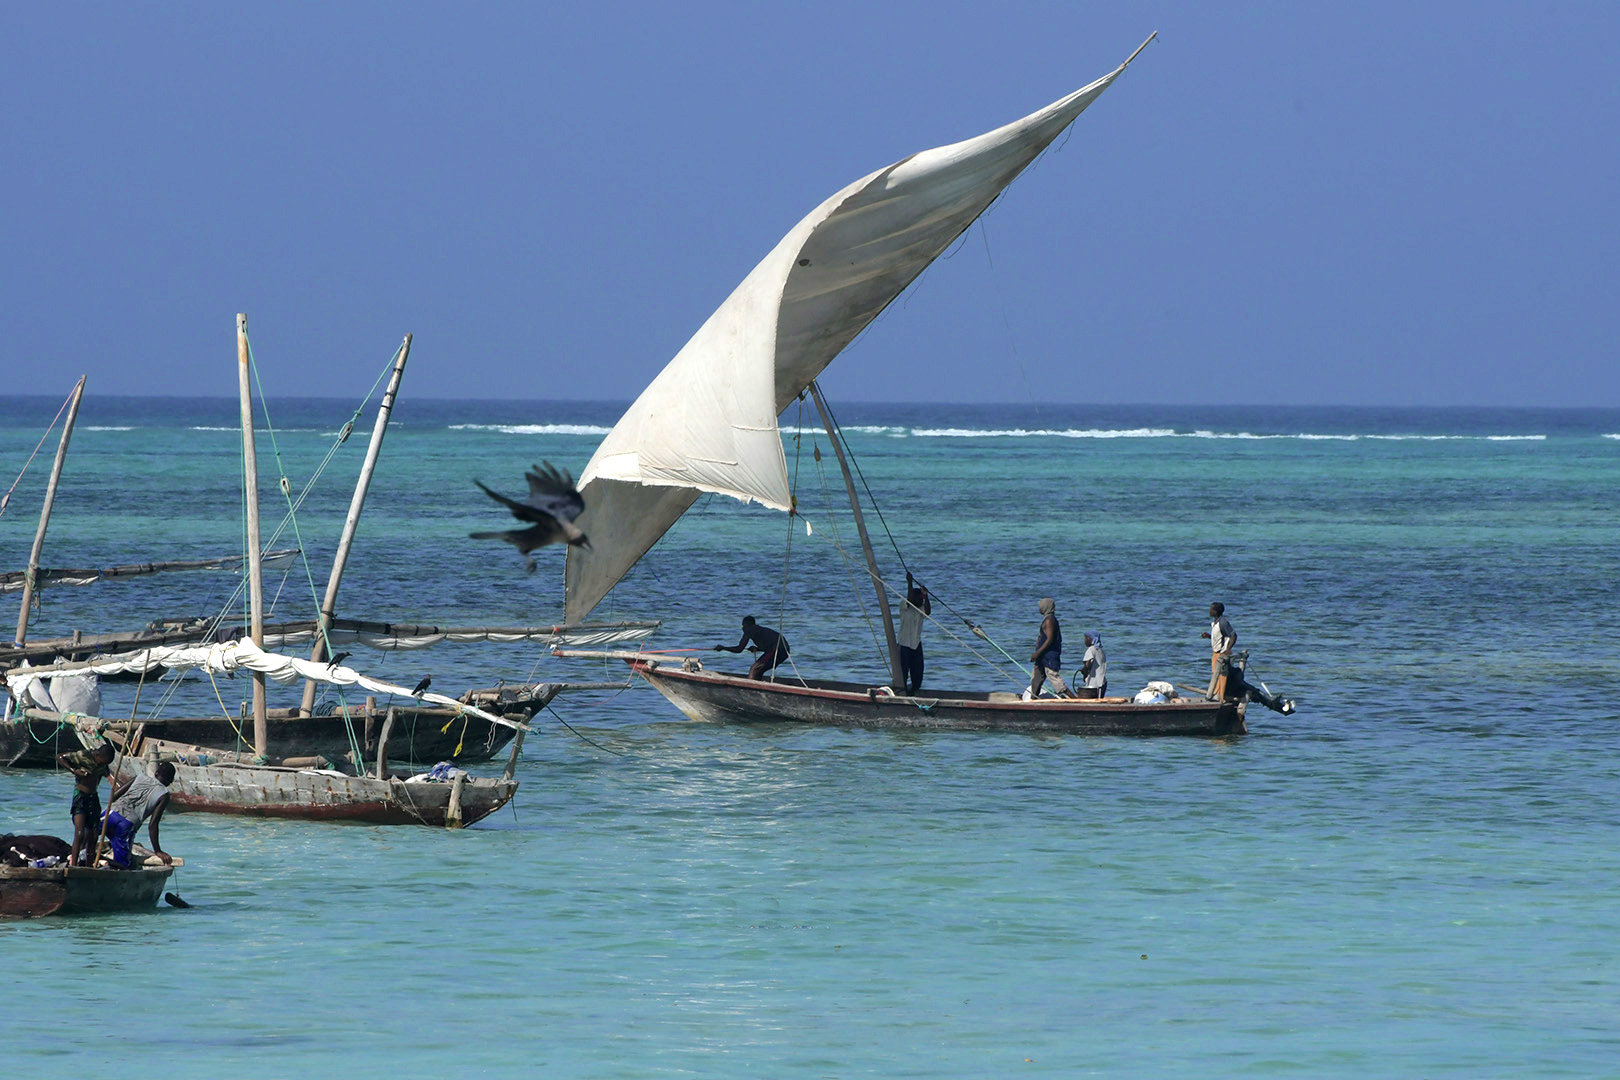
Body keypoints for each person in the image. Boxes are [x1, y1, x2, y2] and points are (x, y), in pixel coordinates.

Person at [102, 761, 175, 868]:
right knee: (122, 864)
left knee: (89, 833)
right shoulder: (164, 795)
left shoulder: (139, 777)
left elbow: (114, 796)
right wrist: (158, 851)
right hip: (127, 824)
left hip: (112, 813)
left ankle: (76, 859)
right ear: (171, 780)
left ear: (155, 773)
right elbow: (153, 825)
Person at [55, 742, 114, 866]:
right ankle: (73, 864)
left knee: (93, 835)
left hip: (93, 797)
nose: (103, 764)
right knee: (80, 833)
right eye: (102, 762)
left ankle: (89, 865)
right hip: (81, 796)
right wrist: (74, 771)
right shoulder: (83, 756)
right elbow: (60, 757)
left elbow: (108, 775)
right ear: (97, 755)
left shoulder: (103, 764)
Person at [1024, 597, 1072, 700]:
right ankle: (1033, 699)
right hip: (1042, 657)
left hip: (1048, 656)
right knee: (1036, 679)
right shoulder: (1047, 619)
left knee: (1055, 680)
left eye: (1041, 606)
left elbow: (1049, 640)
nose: (1039, 608)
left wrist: (1037, 653)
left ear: (1046, 607)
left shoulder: (1050, 620)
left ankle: (1075, 700)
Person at [715, 616, 791, 680]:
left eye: (743, 626)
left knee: (754, 668)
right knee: (758, 670)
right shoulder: (758, 630)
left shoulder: (750, 629)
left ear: (747, 625)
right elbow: (769, 644)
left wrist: (723, 648)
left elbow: (739, 649)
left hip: (779, 649)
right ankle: (758, 685)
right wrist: (758, 649)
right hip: (783, 650)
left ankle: (750, 687)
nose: (742, 628)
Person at [897, 571, 931, 694]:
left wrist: (926, 595)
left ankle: (913, 690)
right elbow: (910, 599)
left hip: (916, 644)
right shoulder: (904, 606)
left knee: (918, 674)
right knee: (903, 673)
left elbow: (928, 611)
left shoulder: (920, 610)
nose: (921, 601)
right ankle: (903, 691)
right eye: (920, 599)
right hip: (904, 644)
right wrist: (909, 582)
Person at [1202, 601, 1236, 699]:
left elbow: (1233, 635)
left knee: (1221, 675)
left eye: (1211, 609)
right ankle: (1217, 693)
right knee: (1215, 674)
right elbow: (1219, 637)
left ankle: (1220, 696)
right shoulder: (1215, 623)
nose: (1209, 611)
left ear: (1216, 612)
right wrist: (1209, 636)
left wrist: (1228, 649)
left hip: (1221, 653)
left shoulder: (1223, 622)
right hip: (1216, 652)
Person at [1080, 631, 1107, 696]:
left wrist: (1084, 672)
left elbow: (1088, 664)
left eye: (1086, 638)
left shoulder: (1091, 650)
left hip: (1094, 683)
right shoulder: (1100, 650)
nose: (1085, 640)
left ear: (1090, 639)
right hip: (1102, 682)